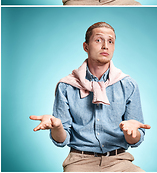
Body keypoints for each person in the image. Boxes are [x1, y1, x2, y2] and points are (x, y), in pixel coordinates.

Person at [30, 22, 150, 172]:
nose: (105, 46)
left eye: (110, 41)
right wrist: (57, 126)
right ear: (85, 47)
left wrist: (131, 133)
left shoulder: (128, 84)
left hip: (119, 161)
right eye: (99, 40)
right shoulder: (66, 86)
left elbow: (136, 140)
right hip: (79, 162)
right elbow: (62, 140)